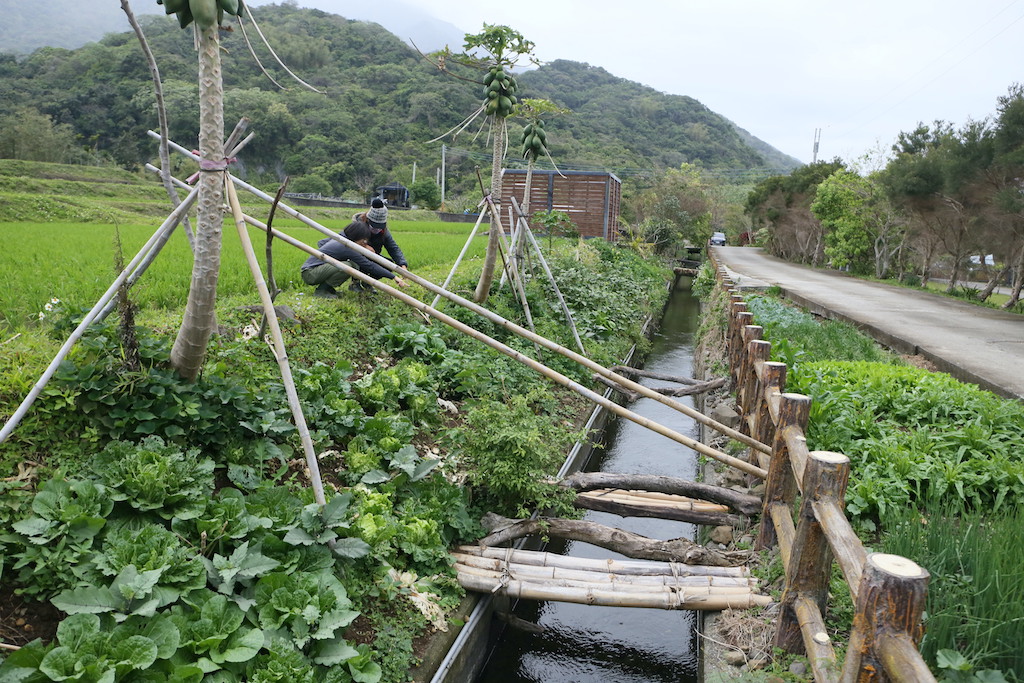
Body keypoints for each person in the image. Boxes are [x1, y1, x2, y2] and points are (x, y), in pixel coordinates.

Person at [300, 220, 407, 298]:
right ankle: (322, 291)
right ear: (356, 236)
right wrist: (394, 277)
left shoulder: (343, 240)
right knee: (349, 266)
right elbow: (369, 265)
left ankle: (328, 289)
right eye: (363, 239)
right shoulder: (345, 247)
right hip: (310, 273)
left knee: (352, 265)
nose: (364, 242)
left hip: (316, 270)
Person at [356, 198, 409, 272]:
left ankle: (367, 282)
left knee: (389, 265)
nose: (377, 229)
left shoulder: (384, 232)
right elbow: (347, 241)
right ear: (368, 220)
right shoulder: (357, 226)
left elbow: (393, 248)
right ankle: (355, 281)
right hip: (356, 257)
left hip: (373, 258)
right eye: (374, 226)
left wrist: (402, 265)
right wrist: (364, 246)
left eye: (379, 227)